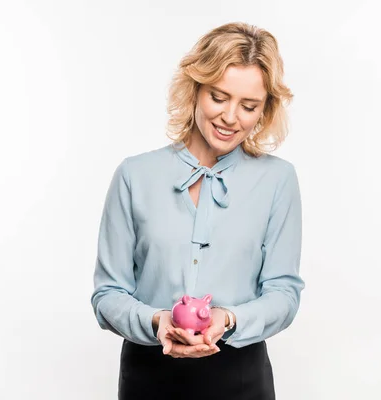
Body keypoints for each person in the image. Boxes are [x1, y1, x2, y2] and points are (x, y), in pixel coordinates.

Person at [91, 22, 305, 400]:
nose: (230, 117)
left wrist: (229, 318)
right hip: (148, 376)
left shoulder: (278, 180)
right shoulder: (134, 175)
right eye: (219, 97)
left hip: (240, 377)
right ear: (195, 88)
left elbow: (283, 293)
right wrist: (156, 320)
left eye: (248, 106)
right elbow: (108, 293)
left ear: (264, 110)